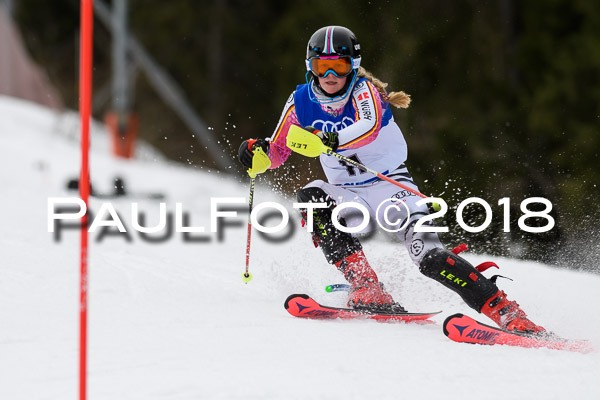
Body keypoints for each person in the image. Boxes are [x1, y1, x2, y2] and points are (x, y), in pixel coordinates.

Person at [238, 26, 544, 333]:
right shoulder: (300, 100)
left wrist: (331, 139)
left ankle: (506, 312)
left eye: (340, 66)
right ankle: (366, 285)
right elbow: (279, 148)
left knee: (430, 258)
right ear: (310, 68)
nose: (330, 74)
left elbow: (368, 126)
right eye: (322, 66)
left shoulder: (364, 92)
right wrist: (258, 154)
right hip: (348, 196)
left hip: (392, 191)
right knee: (311, 196)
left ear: (353, 67)